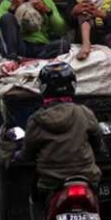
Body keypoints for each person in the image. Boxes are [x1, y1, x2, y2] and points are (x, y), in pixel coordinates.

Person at [16, 62, 103, 191]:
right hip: (86, 177)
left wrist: (18, 156)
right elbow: (97, 139)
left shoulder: (36, 120)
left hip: (50, 182)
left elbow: (28, 151)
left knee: (36, 197)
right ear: (72, 85)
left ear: (43, 88)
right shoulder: (84, 112)